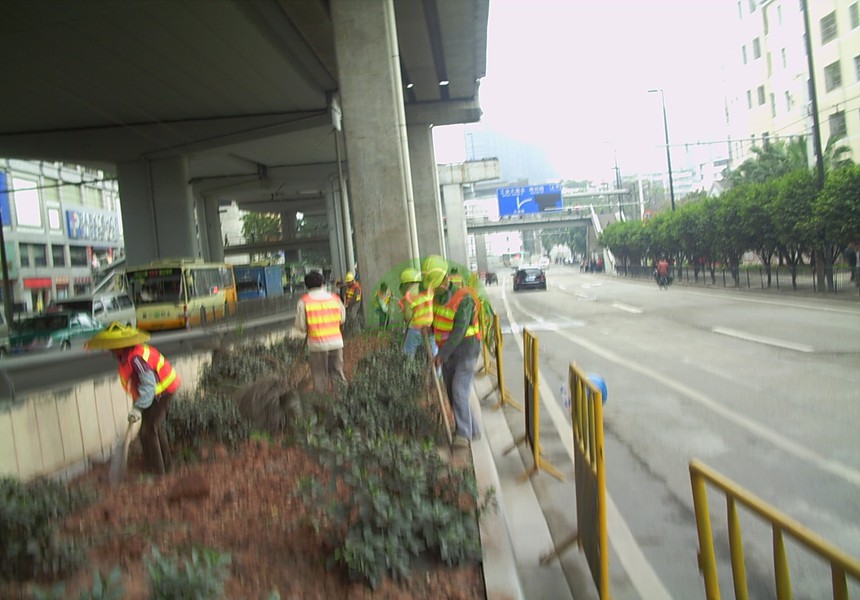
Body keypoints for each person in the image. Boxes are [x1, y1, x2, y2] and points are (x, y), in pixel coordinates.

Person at [84, 322, 180, 475]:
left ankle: (158, 474)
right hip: (154, 394)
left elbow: (148, 386)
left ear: (122, 345)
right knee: (153, 429)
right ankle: (166, 468)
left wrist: (138, 407)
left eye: (113, 347)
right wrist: (138, 403)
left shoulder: (136, 359)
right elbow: (139, 385)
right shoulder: (127, 357)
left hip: (163, 392)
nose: (111, 350)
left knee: (148, 431)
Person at [423, 255, 482, 448]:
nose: (435, 289)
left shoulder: (464, 299)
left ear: (447, 279)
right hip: (446, 351)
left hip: (465, 351)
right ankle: (473, 429)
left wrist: (442, 355)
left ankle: (463, 435)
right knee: (452, 391)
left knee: (458, 390)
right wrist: (429, 328)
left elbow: (459, 331)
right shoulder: (436, 299)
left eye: (437, 284)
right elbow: (439, 321)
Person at [294, 270, 347, 393]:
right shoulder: (335, 298)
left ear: (306, 286)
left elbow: (300, 326)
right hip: (336, 343)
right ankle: (343, 399)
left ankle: (322, 403)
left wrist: (310, 327)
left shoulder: (304, 301)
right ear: (323, 283)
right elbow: (342, 319)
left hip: (317, 345)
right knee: (337, 373)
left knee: (320, 376)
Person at [398, 267, 436, 357]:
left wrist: (405, 318)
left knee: (408, 351)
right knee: (434, 352)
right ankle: (438, 370)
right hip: (431, 327)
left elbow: (408, 316)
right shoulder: (428, 290)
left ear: (406, 284)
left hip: (416, 327)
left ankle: (410, 368)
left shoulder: (409, 294)